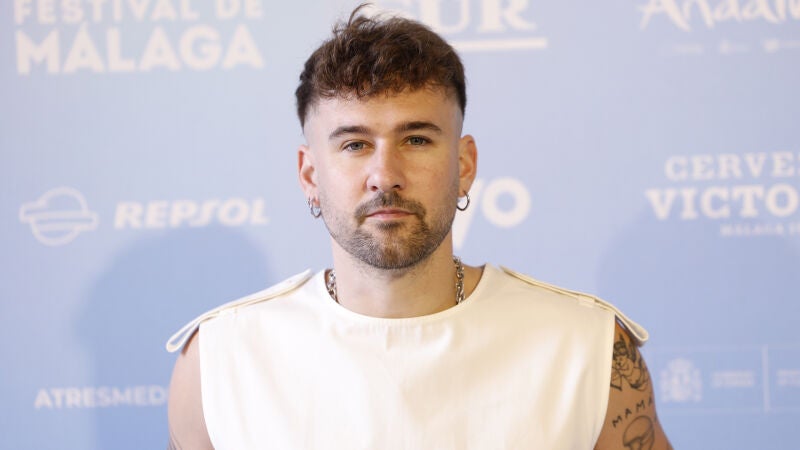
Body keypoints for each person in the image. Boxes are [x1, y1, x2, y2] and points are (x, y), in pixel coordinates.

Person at [166, 5, 673, 449]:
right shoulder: (220, 359)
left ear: (464, 164)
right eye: (354, 144)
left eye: (416, 140)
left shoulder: (586, 346)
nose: (385, 175)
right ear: (309, 175)